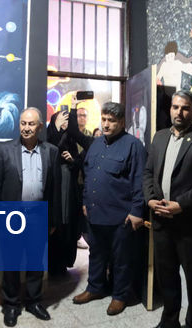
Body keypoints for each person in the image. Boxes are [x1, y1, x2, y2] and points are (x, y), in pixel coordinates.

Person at [143, 89, 192, 328]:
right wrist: (150, 199)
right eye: (175, 107)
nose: (179, 112)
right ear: (170, 109)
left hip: (189, 224)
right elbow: (148, 172)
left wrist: (181, 204)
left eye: (185, 108)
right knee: (167, 277)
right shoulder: (160, 137)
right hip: (161, 220)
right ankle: (169, 321)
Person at [71, 102, 146, 316]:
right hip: (95, 213)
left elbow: (140, 181)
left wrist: (137, 211)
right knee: (96, 254)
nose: (105, 124)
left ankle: (120, 296)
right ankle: (95, 288)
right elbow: (88, 176)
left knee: (121, 259)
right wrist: (85, 202)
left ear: (121, 122)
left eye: (111, 121)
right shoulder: (95, 145)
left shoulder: (133, 146)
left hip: (121, 215)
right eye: (103, 119)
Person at [0, 107, 62, 327]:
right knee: (11, 262)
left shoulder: (51, 151)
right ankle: (11, 305)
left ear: (39, 127)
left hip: (38, 216)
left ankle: (33, 302)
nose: (26, 128)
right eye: (23, 123)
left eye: (31, 124)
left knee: (35, 261)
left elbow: (55, 189)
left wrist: (53, 220)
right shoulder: (5, 150)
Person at [46, 110, 82, 274]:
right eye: (61, 119)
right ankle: (53, 265)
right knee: (56, 222)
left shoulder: (72, 138)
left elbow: (79, 162)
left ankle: (64, 263)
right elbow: (52, 148)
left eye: (67, 120)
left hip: (69, 186)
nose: (64, 123)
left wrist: (72, 160)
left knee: (68, 223)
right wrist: (56, 128)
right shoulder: (50, 135)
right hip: (55, 186)